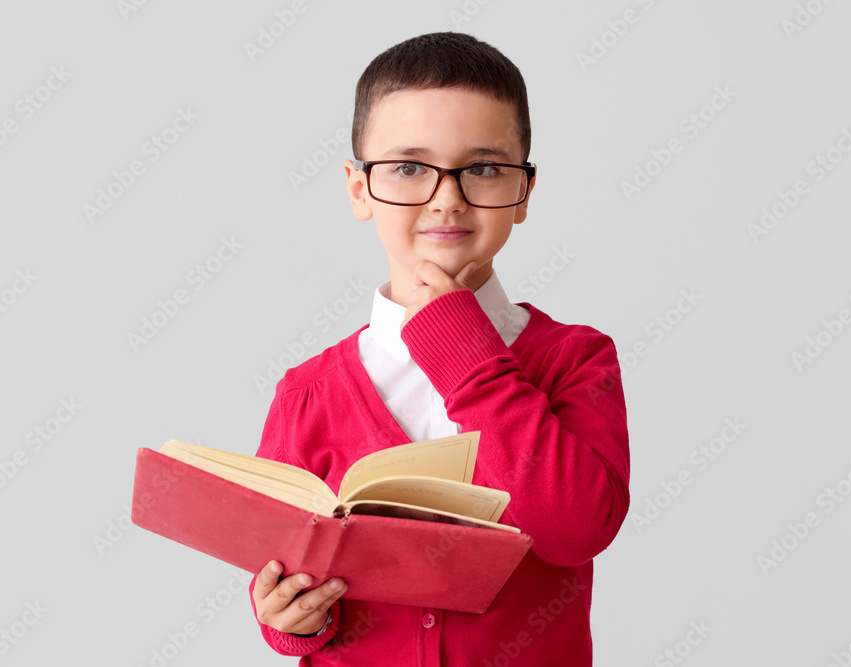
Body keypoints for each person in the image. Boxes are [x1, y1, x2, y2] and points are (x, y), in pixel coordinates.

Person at [248, 31, 630, 666]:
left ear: (526, 191)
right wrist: (291, 622)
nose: (446, 198)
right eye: (407, 168)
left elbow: (576, 530)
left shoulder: (576, 359)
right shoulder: (307, 392)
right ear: (358, 188)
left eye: (482, 168)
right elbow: (280, 578)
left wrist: (463, 350)